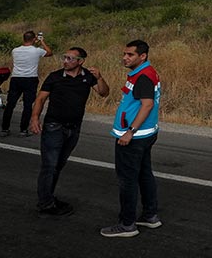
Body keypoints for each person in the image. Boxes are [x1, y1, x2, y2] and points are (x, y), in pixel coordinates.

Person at [29, 47, 109, 216]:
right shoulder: (55, 77)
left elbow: (103, 93)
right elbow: (41, 98)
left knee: (58, 165)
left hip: (73, 128)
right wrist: (35, 118)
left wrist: (99, 77)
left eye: (70, 58)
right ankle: (45, 203)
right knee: (49, 165)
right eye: (64, 58)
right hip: (54, 126)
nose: (65, 61)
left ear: (81, 61)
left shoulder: (88, 76)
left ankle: (48, 197)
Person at [100, 40, 162, 238]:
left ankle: (127, 225)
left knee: (127, 181)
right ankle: (150, 216)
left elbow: (147, 105)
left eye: (130, 55)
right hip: (146, 134)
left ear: (142, 56)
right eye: (124, 54)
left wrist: (130, 131)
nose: (125, 58)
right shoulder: (144, 72)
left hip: (134, 138)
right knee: (144, 174)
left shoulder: (143, 77)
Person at [1, 30, 52, 137]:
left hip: (16, 78)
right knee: (27, 105)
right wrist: (42, 42)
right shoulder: (36, 51)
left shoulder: (15, 50)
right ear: (34, 39)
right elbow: (49, 52)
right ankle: (23, 130)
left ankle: (5, 128)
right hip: (30, 79)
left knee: (10, 104)